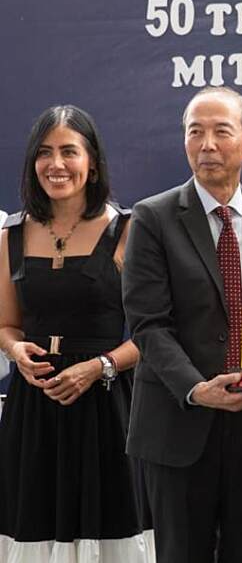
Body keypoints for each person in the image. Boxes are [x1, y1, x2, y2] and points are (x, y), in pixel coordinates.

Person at [122, 87, 242, 563]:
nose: (206, 144)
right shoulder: (152, 217)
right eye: (195, 132)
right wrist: (196, 389)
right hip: (180, 422)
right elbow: (148, 324)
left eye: (221, 132)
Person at [0, 105, 152, 561]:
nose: (56, 164)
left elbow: (153, 333)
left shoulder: (128, 230)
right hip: (33, 410)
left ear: (93, 163)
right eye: (44, 153)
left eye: (69, 151)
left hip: (107, 408)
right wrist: (15, 351)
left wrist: (100, 366)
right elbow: (6, 325)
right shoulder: (11, 235)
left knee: (111, 527)